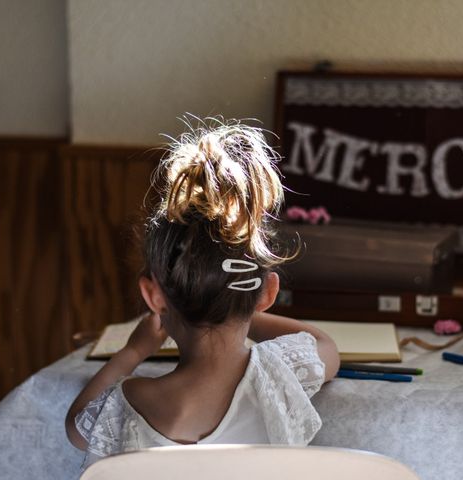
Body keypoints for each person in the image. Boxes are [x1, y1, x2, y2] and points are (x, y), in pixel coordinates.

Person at [65, 120, 340, 467]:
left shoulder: (129, 402)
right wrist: (241, 306)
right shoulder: (278, 372)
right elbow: (325, 347)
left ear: (153, 296)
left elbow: (76, 425)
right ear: (267, 292)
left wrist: (132, 352)